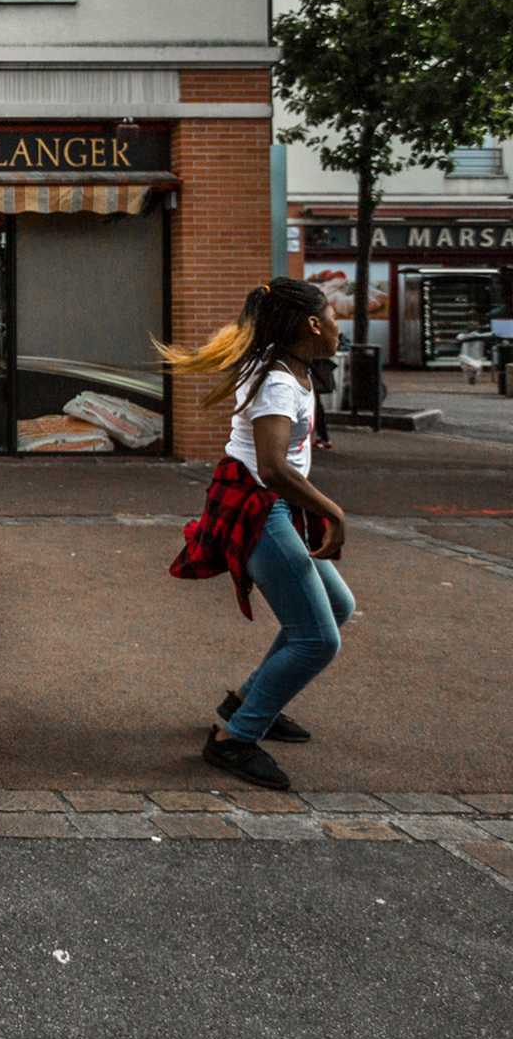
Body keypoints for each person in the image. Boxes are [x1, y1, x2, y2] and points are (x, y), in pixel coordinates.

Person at [161, 277, 352, 792]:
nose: (339, 326)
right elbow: (271, 467)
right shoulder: (278, 382)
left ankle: (249, 701)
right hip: (259, 509)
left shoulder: (290, 367)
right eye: (333, 317)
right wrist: (333, 512)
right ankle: (234, 738)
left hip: (275, 506)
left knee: (335, 608)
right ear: (312, 325)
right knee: (317, 639)